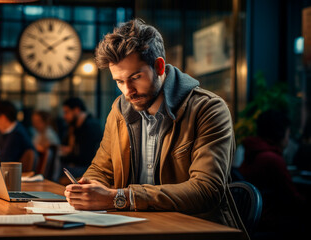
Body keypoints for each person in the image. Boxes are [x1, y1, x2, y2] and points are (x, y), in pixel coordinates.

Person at [64, 18, 246, 234]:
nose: (127, 91)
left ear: (159, 66)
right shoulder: (120, 110)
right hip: (136, 227)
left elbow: (206, 190)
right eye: (119, 81)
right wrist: (88, 187)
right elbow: (102, 168)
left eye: (135, 77)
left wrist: (121, 197)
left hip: (196, 230)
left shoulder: (208, 109)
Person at [239, 109, 306, 239]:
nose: (288, 138)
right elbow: (292, 198)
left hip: (249, 218)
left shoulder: (253, 152)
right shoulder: (272, 159)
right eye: (288, 133)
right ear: (280, 134)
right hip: (267, 220)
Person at [60, 97, 103, 179]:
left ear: (76, 110)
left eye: (66, 112)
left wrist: (65, 155)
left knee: (58, 166)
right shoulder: (75, 126)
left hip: (89, 169)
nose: (64, 116)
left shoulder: (90, 126)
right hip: (81, 165)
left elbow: (85, 158)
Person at [0, 100, 36, 171]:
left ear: (3, 118)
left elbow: (5, 160)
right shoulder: (15, 131)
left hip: (14, 177)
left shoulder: (16, 135)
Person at [31, 110, 61, 180]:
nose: (34, 123)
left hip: (50, 170)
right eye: (33, 121)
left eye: (37, 121)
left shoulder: (49, 134)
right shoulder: (38, 134)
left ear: (44, 122)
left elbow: (49, 152)